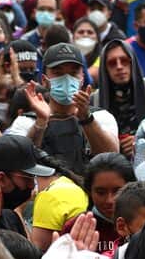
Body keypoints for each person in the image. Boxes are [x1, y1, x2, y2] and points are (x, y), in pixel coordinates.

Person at [21, 42, 120, 173]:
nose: (66, 79)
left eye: (73, 73)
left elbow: (111, 158)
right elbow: (19, 162)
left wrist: (86, 118)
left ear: (82, 79)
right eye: (58, 73)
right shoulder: (26, 122)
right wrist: (40, 123)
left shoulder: (101, 117)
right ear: (44, 80)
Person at [91, 39, 145, 158]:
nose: (119, 66)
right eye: (112, 63)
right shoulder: (94, 101)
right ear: (104, 68)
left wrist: (142, 142)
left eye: (124, 61)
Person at [63, 152, 135, 255]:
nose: (110, 200)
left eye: (117, 191)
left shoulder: (143, 222)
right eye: (101, 193)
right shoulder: (76, 229)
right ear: (89, 191)